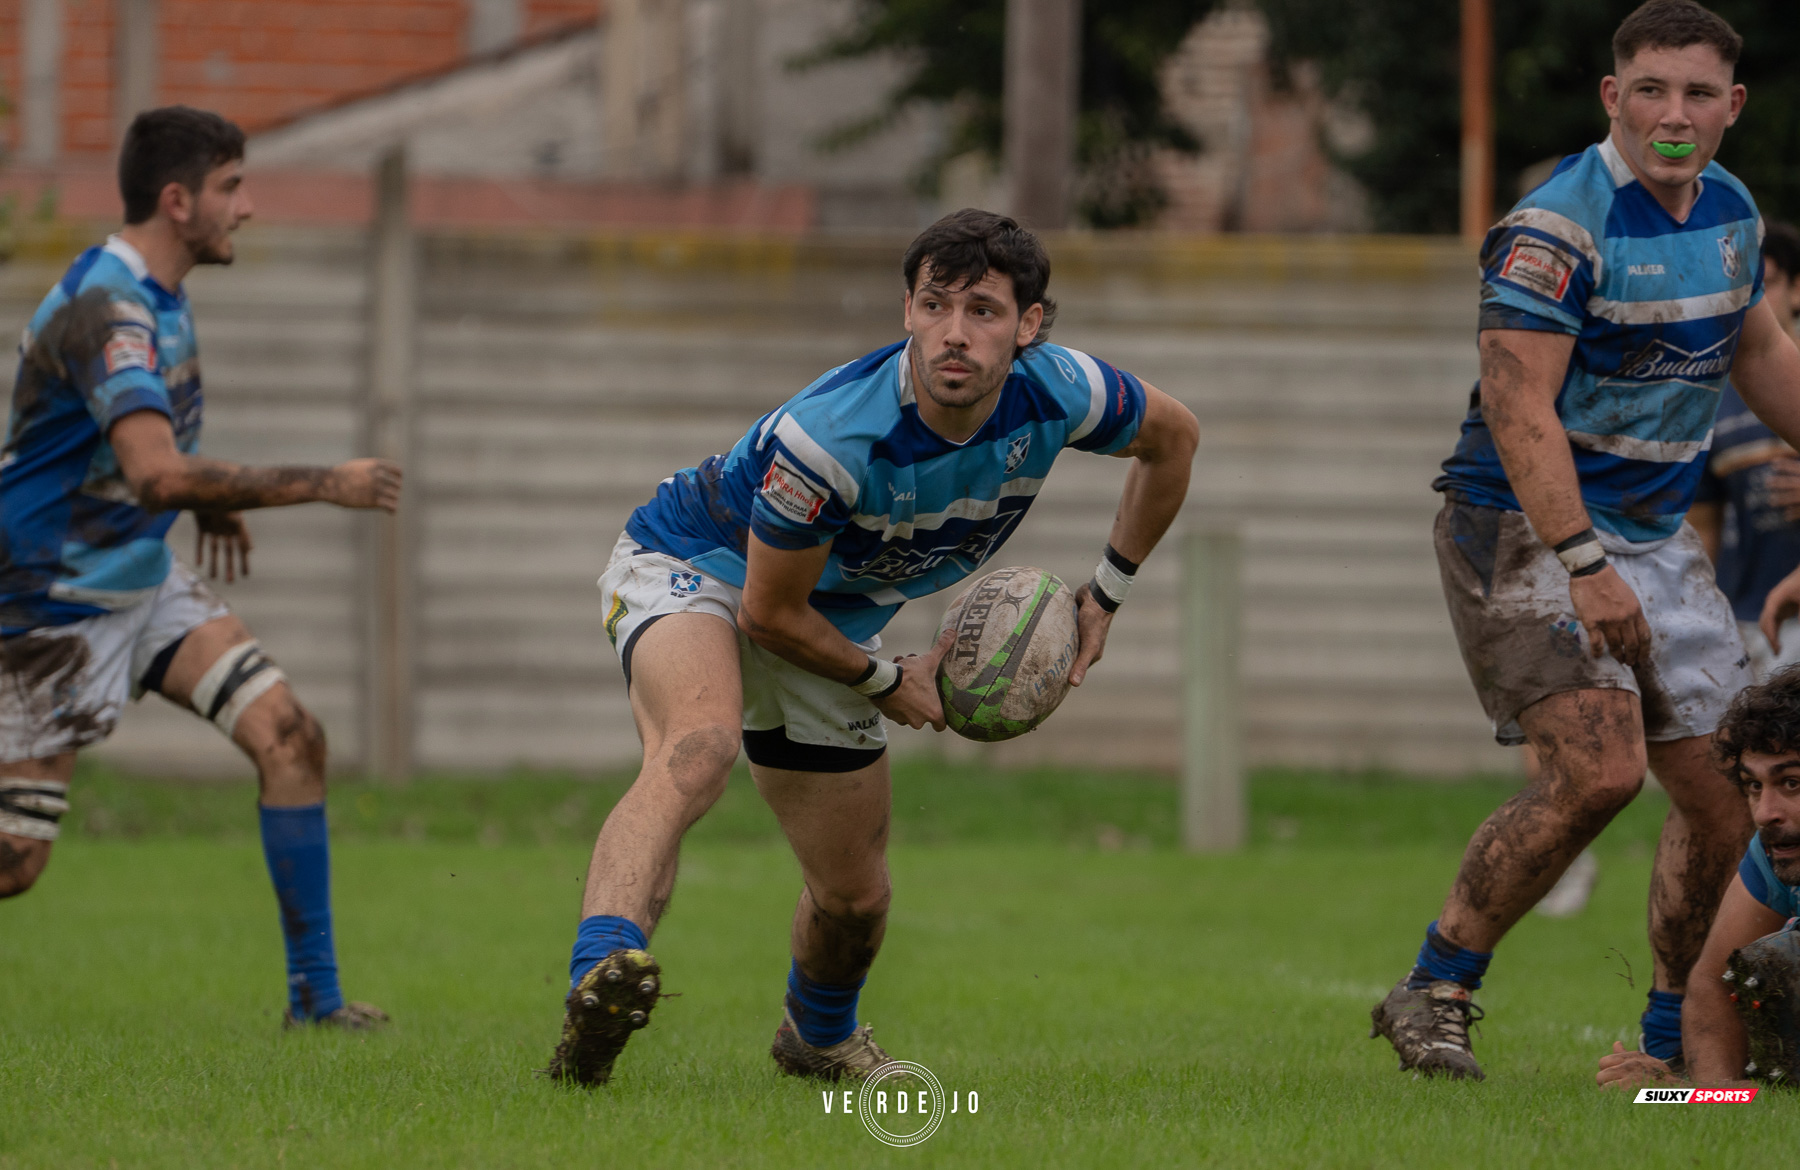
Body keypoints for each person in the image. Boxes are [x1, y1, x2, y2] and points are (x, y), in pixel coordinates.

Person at [542, 209, 1199, 1085]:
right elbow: (767, 615)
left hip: (832, 612)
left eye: (984, 311)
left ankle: (816, 1039)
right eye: (936, 306)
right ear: (908, 311)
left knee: (856, 897)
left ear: (1030, 326)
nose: (954, 335)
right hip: (700, 567)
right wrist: (889, 680)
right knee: (698, 747)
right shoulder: (836, 436)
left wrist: (1106, 594)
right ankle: (601, 978)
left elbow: (1175, 438)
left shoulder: (1063, 391)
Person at [1372, 0, 1800, 1081]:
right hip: (1520, 525)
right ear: (1613, 97)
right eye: (1650, 89)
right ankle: (1435, 987)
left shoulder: (1734, 211)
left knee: (1721, 800)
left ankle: (1667, 1046)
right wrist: (1585, 563)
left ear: (1731, 108)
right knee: (1603, 772)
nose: (1673, 113)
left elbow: (1758, 353)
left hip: (1653, 533)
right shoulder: (1555, 228)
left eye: (1699, 93)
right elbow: (1518, 407)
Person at [0, 107, 403, 1028]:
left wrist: (205, 497)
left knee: (291, 738)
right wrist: (322, 483)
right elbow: (153, 474)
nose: (248, 207)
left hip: (136, 580)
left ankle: (319, 1002)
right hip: (49, 600)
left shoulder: (159, 295)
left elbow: (132, 457)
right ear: (177, 201)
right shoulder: (113, 308)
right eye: (232, 187)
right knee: (16, 864)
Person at [1596, 667, 1800, 1089]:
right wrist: (1700, 1097)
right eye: (1753, 786)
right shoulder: (1776, 849)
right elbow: (1711, 979)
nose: (1765, 813)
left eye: (1792, 783)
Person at [1691, 222, 1800, 678]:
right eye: (1744, 286)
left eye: (1767, 283)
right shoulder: (1708, 397)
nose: (1755, 300)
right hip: (1748, 615)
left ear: (1798, 290)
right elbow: (1702, 527)